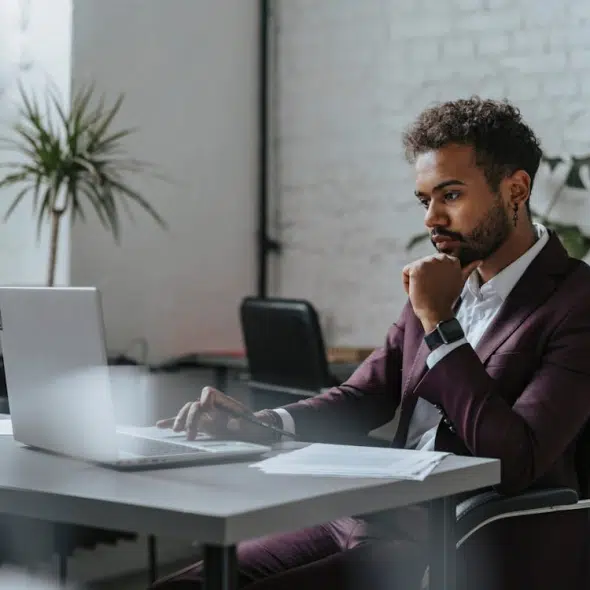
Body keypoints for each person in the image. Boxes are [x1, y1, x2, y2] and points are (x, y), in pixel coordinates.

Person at [151, 97, 590, 590]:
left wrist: (439, 323)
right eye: (425, 200)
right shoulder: (443, 282)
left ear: (516, 189)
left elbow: (518, 460)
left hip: (452, 542)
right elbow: (364, 395)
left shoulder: (574, 302)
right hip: (363, 513)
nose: (431, 219)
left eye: (450, 196)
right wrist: (260, 424)